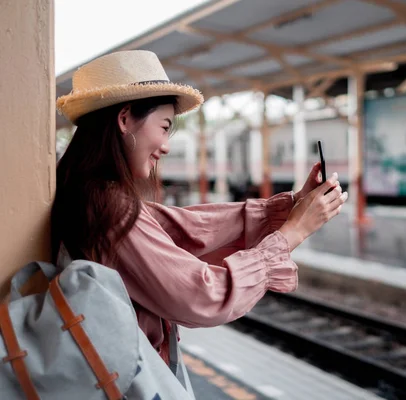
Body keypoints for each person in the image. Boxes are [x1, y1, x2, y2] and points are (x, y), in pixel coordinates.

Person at [52, 50, 347, 390]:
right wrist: (292, 233)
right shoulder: (106, 207)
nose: (165, 146)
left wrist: (291, 207)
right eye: (164, 127)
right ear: (124, 119)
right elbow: (201, 296)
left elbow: (181, 228)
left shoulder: (87, 192)